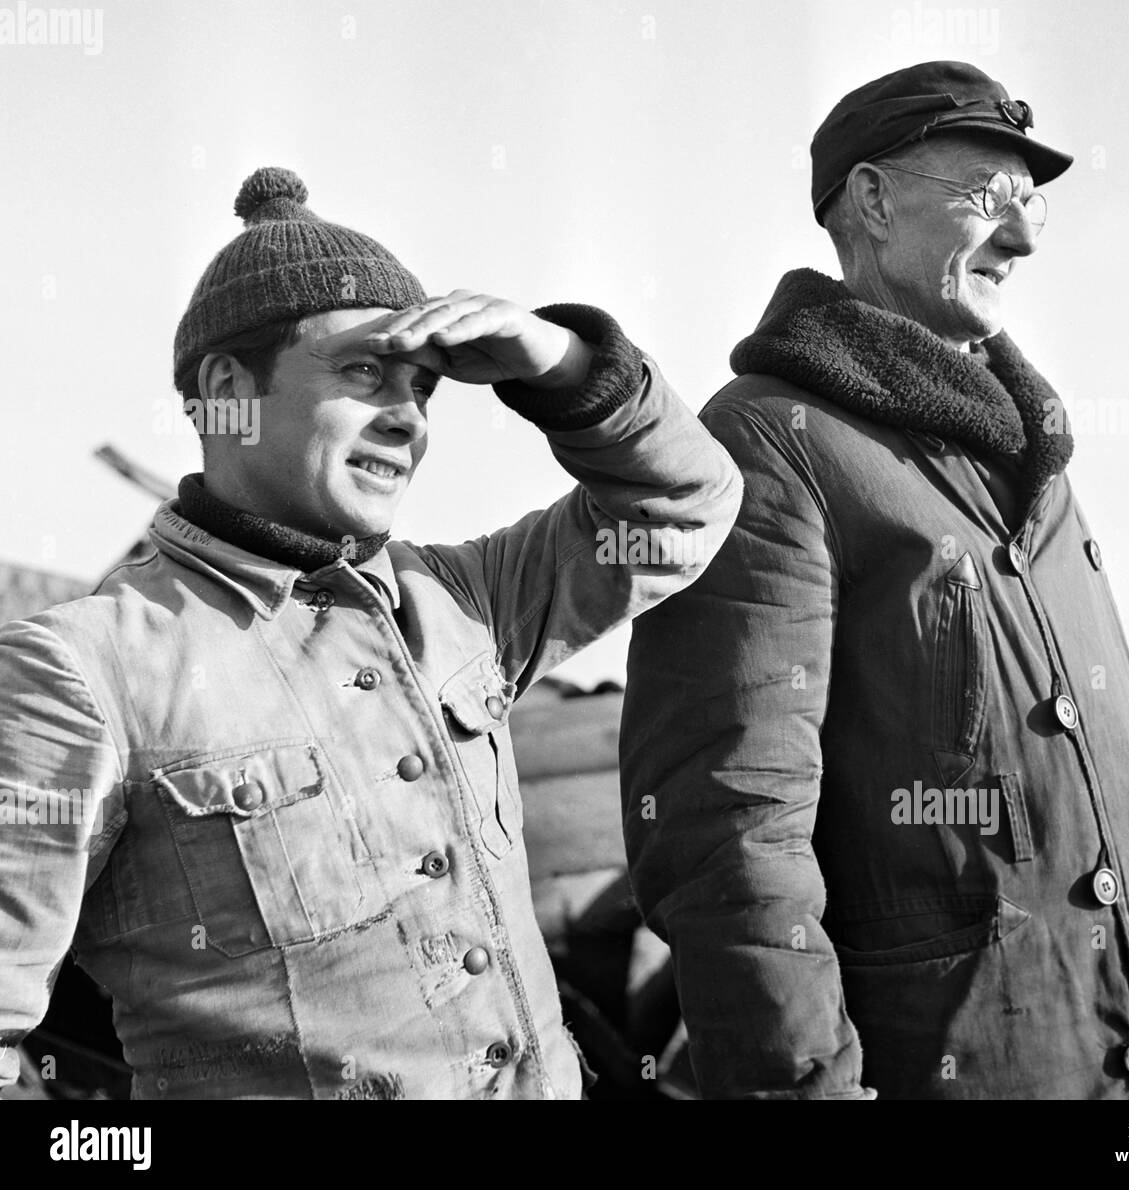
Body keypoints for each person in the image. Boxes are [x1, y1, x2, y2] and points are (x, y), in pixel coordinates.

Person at [0, 166, 741, 1099]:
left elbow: (688, 506)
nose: (407, 418)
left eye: (423, 387)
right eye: (363, 372)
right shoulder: (84, 670)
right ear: (228, 390)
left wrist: (562, 365)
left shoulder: (464, 599)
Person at [619, 61, 1129, 1100]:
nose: (1020, 238)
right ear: (872, 201)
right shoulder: (769, 444)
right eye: (987, 197)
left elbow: (1102, 778)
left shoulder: (1027, 453)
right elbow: (729, 837)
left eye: (1032, 205)